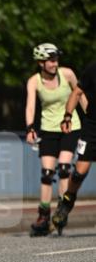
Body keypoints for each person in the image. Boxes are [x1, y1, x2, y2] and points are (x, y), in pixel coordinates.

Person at [25, 42, 81, 236]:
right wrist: (30, 127)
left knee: (64, 169)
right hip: (48, 128)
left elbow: (79, 94)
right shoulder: (34, 81)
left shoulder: (67, 74)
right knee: (47, 173)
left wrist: (90, 114)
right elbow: (31, 106)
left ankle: (61, 211)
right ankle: (43, 215)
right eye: (50, 60)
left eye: (56, 59)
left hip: (70, 126)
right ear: (41, 62)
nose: (54, 63)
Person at [51, 59, 96, 234]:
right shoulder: (92, 68)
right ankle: (66, 203)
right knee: (79, 173)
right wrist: (67, 116)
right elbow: (77, 92)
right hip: (93, 126)